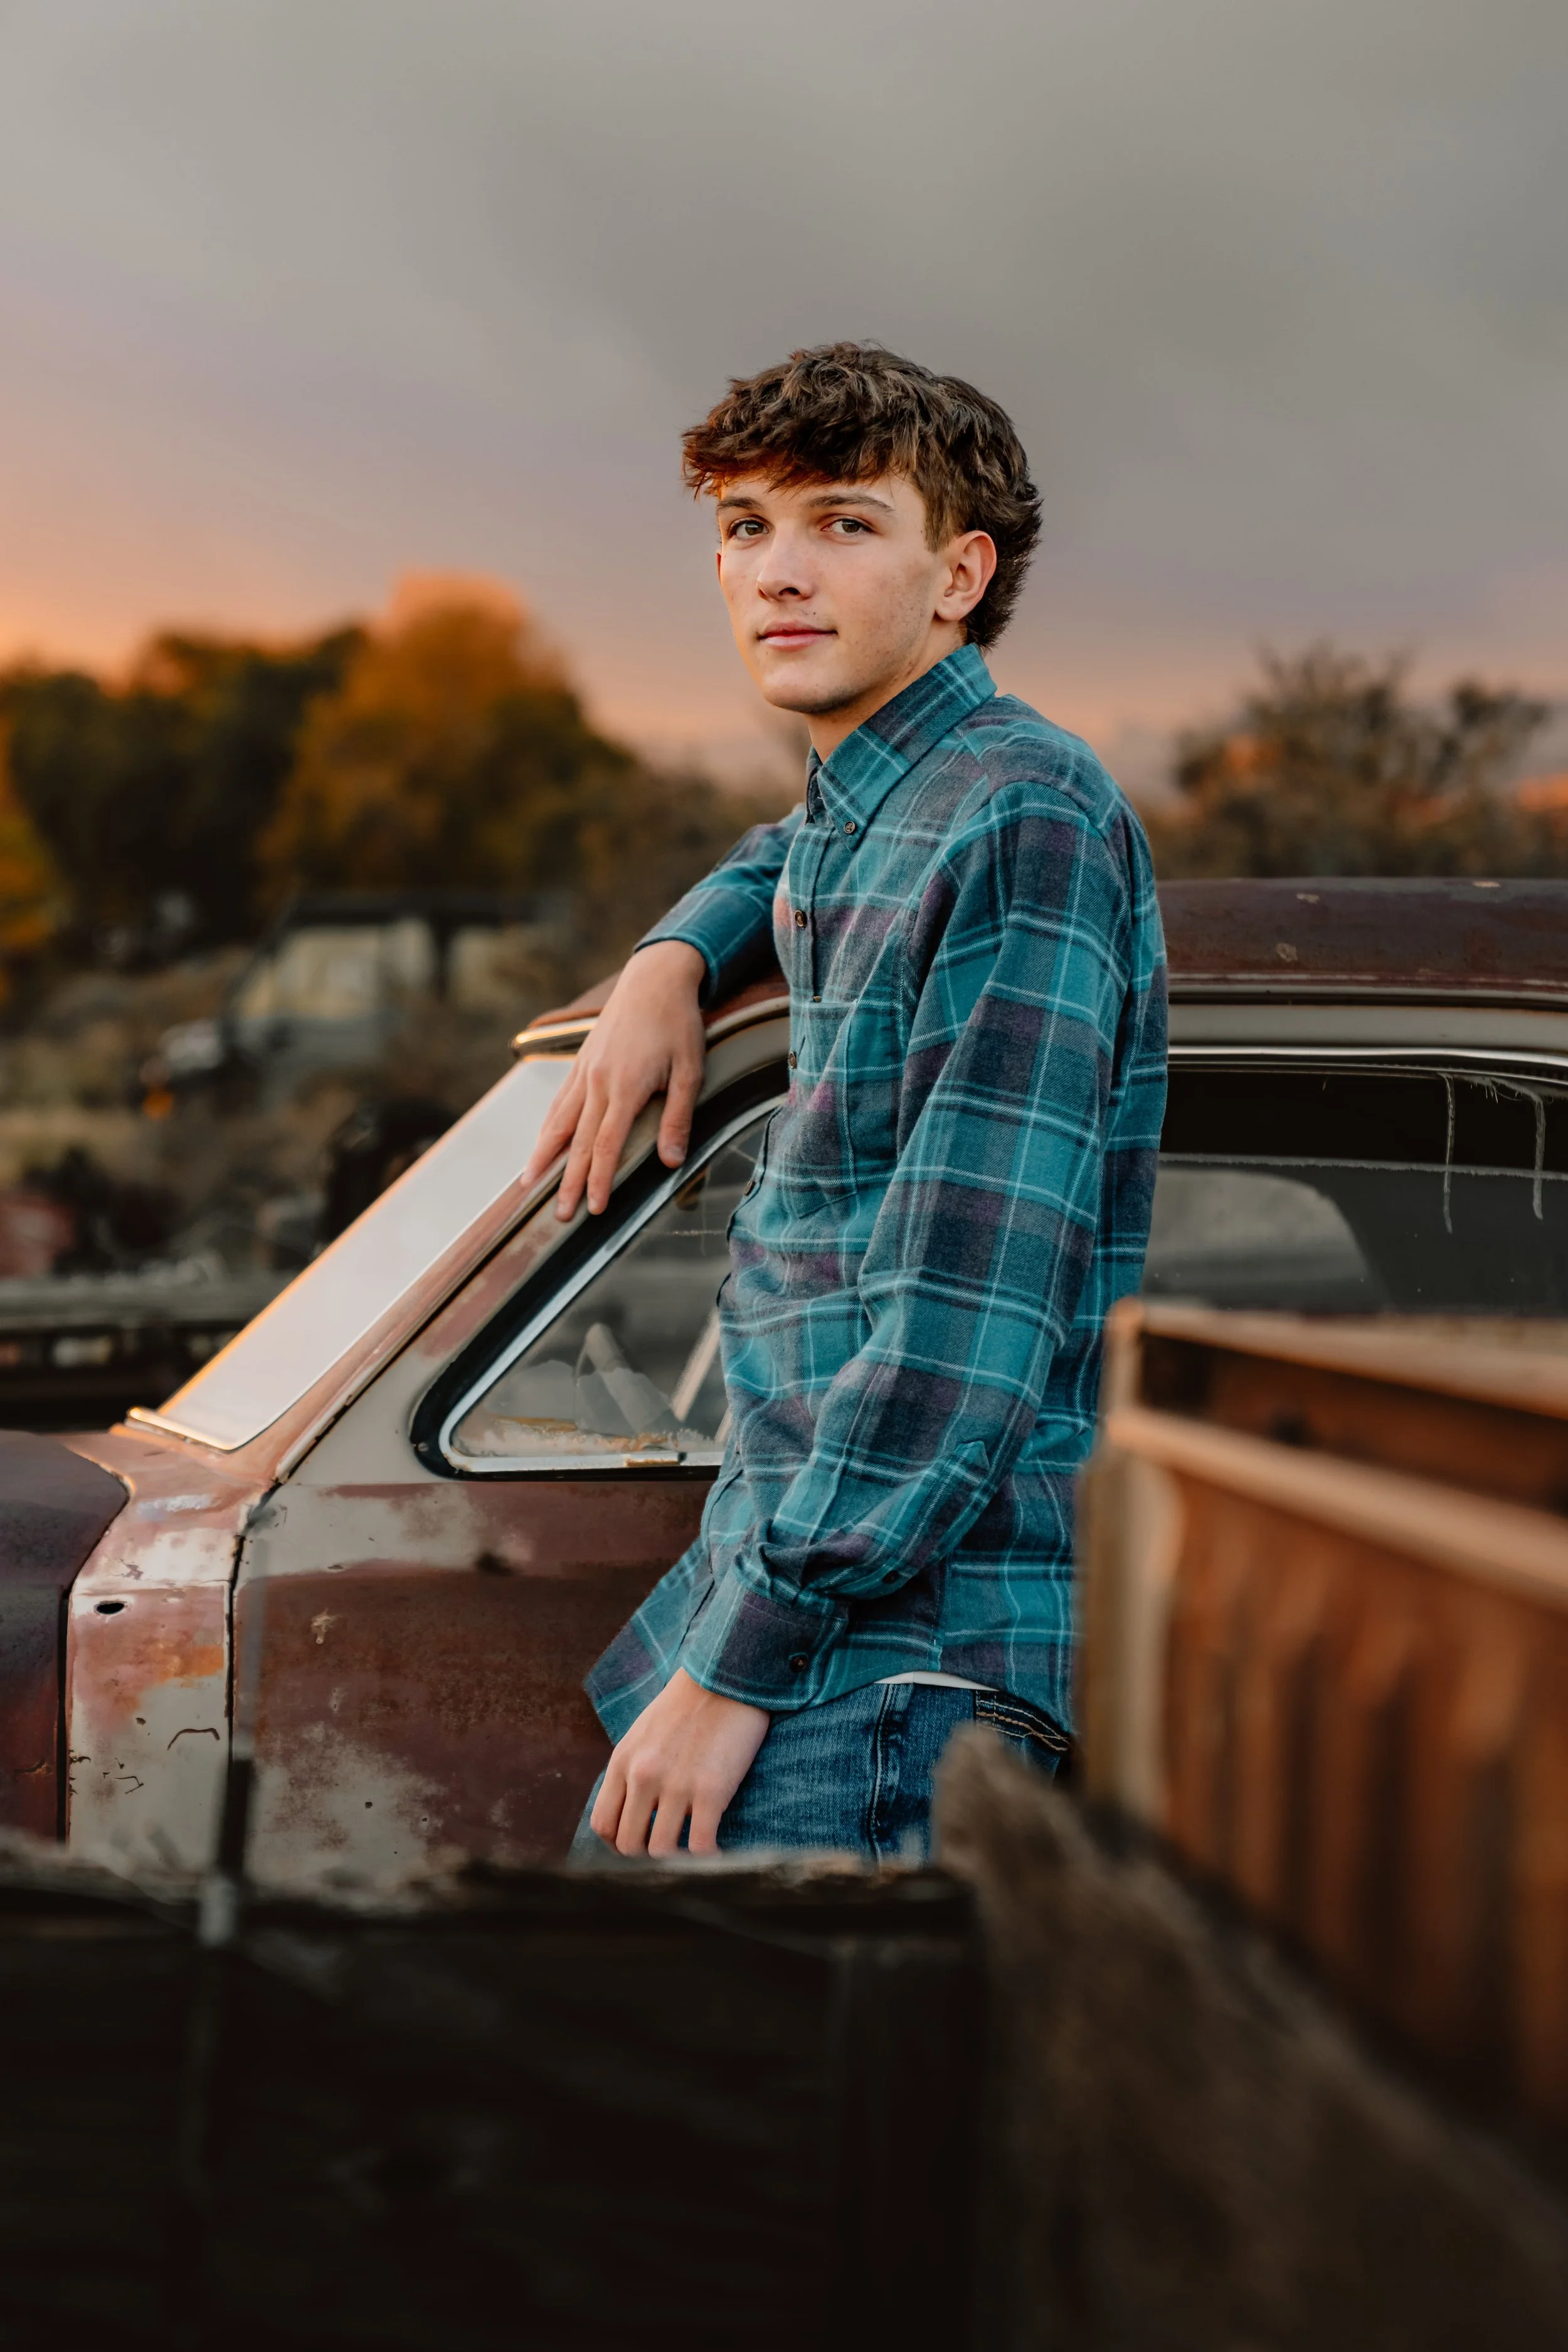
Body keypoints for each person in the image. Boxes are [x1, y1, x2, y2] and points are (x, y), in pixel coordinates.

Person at [526, 342, 1167, 1862]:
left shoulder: (1021, 815)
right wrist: (672, 952)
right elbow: (794, 842)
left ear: (958, 573)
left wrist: (734, 1664)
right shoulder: (888, 796)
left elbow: (965, 1321)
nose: (777, 572)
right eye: (745, 528)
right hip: (825, 1631)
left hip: (891, 1664)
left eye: (842, 523)